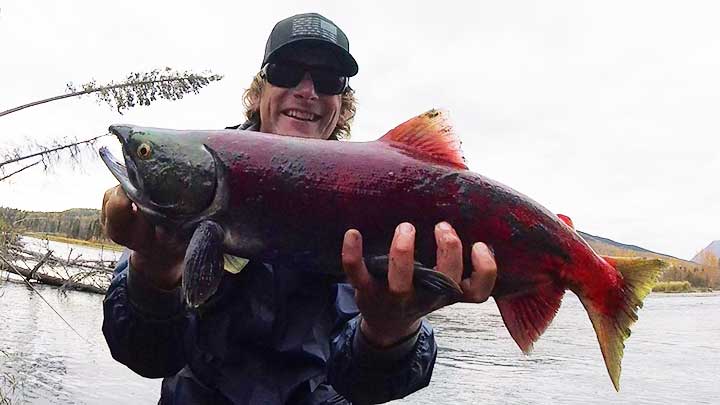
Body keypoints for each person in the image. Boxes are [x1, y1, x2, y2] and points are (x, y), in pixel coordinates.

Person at [101, 12, 497, 405]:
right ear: (258, 92)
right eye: (286, 70)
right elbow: (146, 355)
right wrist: (153, 276)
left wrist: (392, 331)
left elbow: (360, 386)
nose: (307, 90)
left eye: (328, 81)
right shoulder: (197, 180)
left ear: (342, 106)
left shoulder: (372, 196)